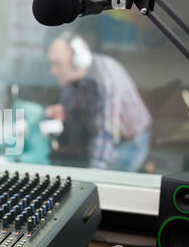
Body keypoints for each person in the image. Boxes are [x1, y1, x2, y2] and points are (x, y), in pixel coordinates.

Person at [45, 32, 152, 172]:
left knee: (111, 188)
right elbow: (73, 110)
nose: (52, 71)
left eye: (57, 64)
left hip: (128, 141)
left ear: (78, 61)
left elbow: (106, 133)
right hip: (99, 138)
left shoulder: (105, 75)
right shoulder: (71, 78)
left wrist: (94, 175)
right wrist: (63, 113)